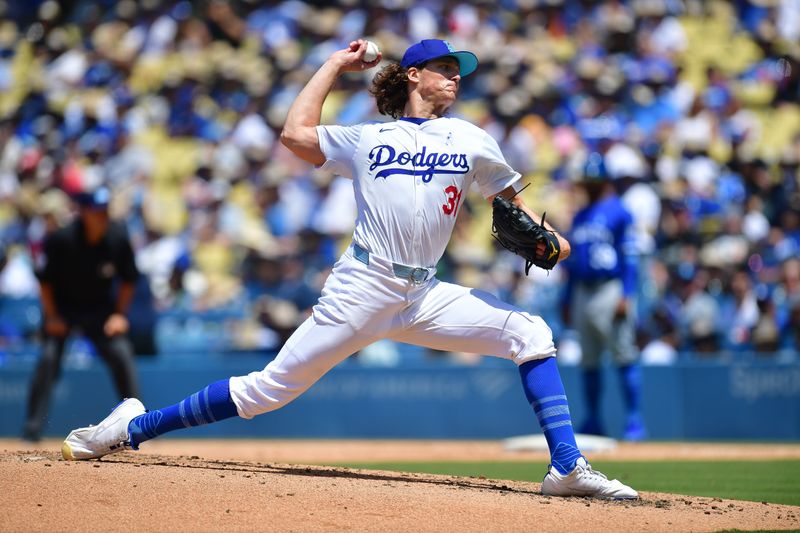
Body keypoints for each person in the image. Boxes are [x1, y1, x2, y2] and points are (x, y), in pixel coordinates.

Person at [61, 39, 637, 499]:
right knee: (266, 392)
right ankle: (132, 428)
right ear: (413, 75)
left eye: (459, 70)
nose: (456, 77)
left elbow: (510, 207)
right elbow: (293, 134)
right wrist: (336, 63)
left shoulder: (472, 137)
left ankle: (566, 466)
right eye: (443, 68)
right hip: (362, 287)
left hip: (422, 293)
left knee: (530, 331)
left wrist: (553, 239)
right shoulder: (367, 138)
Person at [22, 186, 141, 442]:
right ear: (83, 212)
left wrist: (119, 314)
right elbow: (45, 282)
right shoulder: (62, 239)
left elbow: (129, 279)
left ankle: (138, 425)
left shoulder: (118, 237)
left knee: (121, 353)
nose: (101, 216)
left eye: (104, 211)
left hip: (100, 311)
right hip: (63, 309)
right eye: (95, 211)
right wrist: (52, 316)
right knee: (48, 359)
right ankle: (32, 428)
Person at [561, 153, 646, 441]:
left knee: (623, 354)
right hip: (584, 290)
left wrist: (627, 293)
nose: (589, 185)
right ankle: (594, 418)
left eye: (594, 180)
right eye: (587, 180)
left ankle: (634, 419)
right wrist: (566, 298)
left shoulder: (619, 210)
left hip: (610, 287)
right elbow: (572, 264)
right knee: (589, 360)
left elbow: (630, 255)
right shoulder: (581, 215)